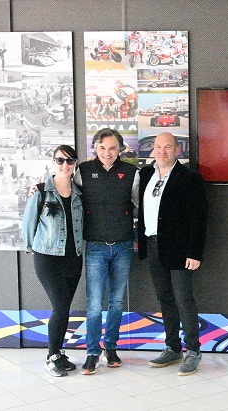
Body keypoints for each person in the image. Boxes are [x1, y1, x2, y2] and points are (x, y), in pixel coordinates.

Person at [137, 132, 208, 376]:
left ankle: (193, 351)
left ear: (177, 149)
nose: (162, 151)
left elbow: (199, 218)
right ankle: (172, 348)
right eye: (158, 147)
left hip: (180, 249)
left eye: (167, 147)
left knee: (183, 299)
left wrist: (194, 252)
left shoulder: (190, 178)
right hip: (153, 245)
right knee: (165, 298)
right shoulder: (146, 174)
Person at [76, 128, 139, 375]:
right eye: (102, 148)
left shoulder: (132, 172)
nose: (107, 152)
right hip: (94, 247)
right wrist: (38, 187)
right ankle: (92, 352)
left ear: (120, 149)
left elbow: (139, 204)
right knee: (94, 304)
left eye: (112, 148)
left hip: (123, 246)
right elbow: (65, 191)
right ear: (94, 148)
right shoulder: (82, 171)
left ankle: (110, 348)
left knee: (116, 302)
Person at [22, 146, 83, 377]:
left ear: (75, 164)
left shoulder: (79, 193)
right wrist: (32, 248)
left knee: (65, 308)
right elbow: (28, 223)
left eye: (70, 161)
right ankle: (52, 356)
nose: (65, 165)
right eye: (60, 160)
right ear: (53, 162)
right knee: (60, 306)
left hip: (74, 258)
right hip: (48, 258)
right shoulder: (40, 191)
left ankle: (59, 352)